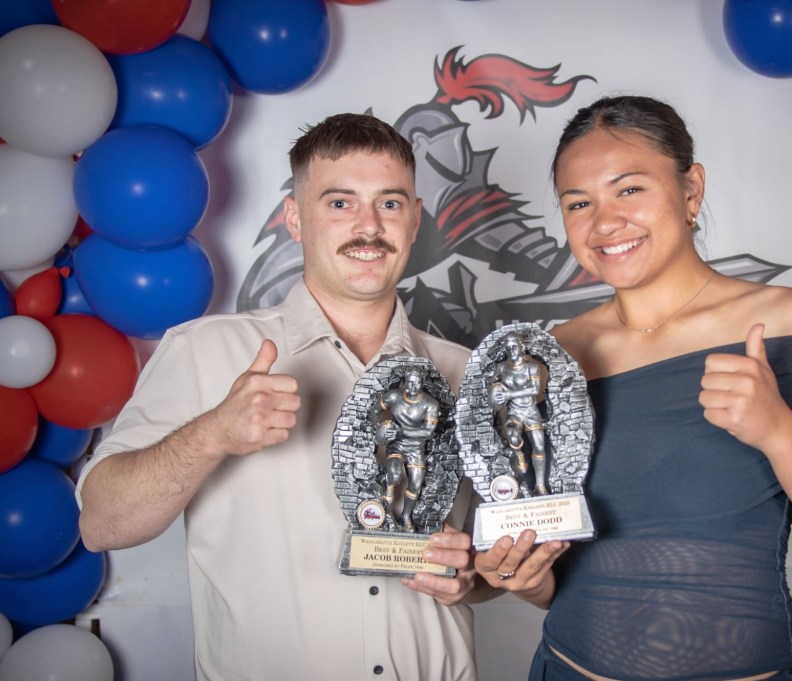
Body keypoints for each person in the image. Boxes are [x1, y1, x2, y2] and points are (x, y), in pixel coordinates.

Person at [472, 95, 792, 681]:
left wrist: (781, 432)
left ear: (691, 190)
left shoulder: (788, 323)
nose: (604, 222)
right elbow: (566, 577)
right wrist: (527, 578)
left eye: (629, 189)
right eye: (579, 203)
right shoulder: (554, 356)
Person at [76, 114, 490, 681]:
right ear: (295, 219)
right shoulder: (206, 351)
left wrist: (472, 578)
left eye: (390, 204)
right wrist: (213, 434)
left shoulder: (470, 375)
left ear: (415, 220)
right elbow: (102, 523)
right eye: (340, 203)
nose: (369, 227)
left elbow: (492, 566)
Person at [377, 368, 441, 530]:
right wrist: (378, 429)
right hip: (396, 445)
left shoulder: (430, 404)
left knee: (416, 486)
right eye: (410, 382)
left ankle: (406, 516)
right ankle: (386, 512)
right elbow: (375, 409)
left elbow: (428, 432)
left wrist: (401, 431)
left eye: (417, 382)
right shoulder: (394, 396)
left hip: (416, 448)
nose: (413, 386)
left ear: (422, 383)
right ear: (405, 382)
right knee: (394, 475)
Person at [489, 333, 550, 495]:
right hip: (514, 412)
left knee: (539, 447)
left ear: (521, 347)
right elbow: (493, 388)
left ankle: (540, 485)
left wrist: (509, 394)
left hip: (531, 411)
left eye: (514, 346)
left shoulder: (532, 367)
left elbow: (534, 389)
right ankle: (519, 454)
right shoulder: (501, 369)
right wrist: (496, 394)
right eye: (508, 348)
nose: (512, 350)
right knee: (512, 435)